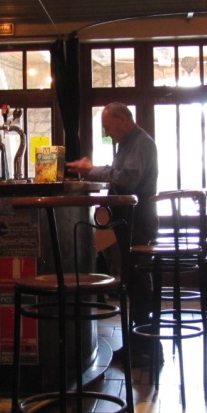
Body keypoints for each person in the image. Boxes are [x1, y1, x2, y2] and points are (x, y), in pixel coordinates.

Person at [66, 103, 159, 360]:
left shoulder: (140, 143)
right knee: (135, 281)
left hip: (139, 222)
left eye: (108, 127)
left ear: (122, 120)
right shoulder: (130, 144)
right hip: (131, 221)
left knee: (139, 282)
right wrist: (95, 170)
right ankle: (140, 346)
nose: (107, 133)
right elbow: (120, 174)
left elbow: (126, 179)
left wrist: (91, 170)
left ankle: (147, 349)